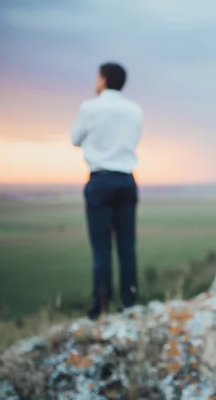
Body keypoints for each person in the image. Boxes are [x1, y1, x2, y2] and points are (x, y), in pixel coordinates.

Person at [71, 62, 143, 320]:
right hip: (126, 180)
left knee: (102, 249)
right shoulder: (135, 110)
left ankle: (100, 307)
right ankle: (129, 303)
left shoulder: (89, 107)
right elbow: (134, 139)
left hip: (100, 181)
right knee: (128, 247)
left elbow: (75, 139)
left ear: (102, 79)